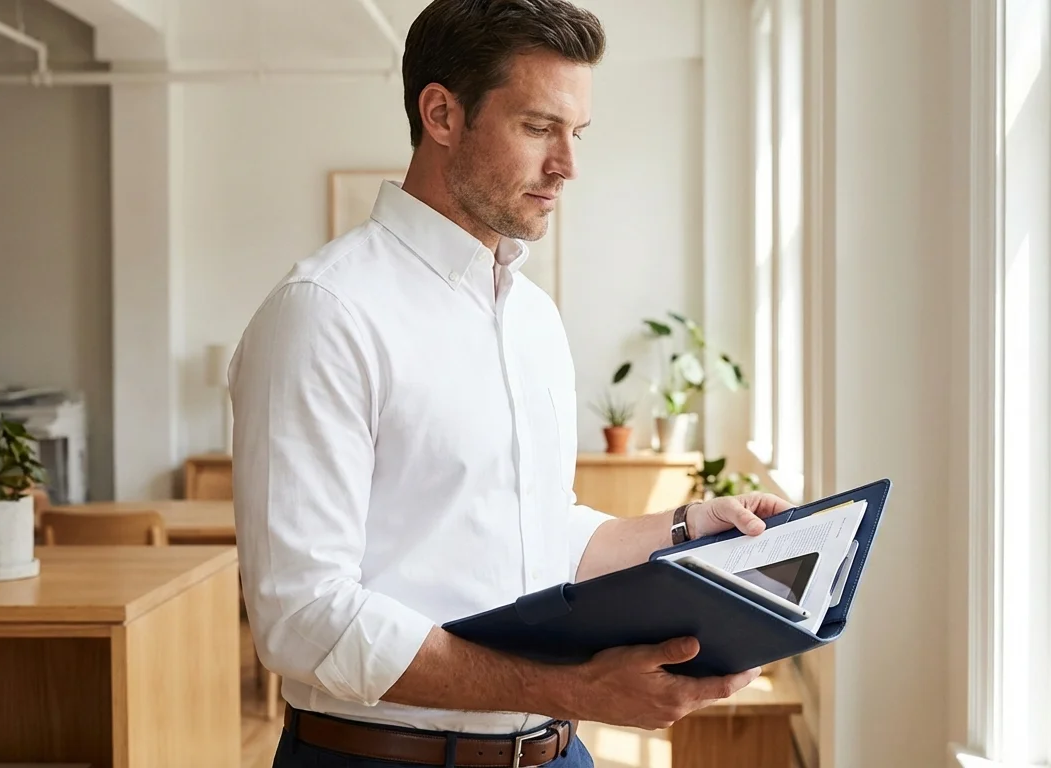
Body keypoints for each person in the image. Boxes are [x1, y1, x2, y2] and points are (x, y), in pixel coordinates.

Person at [229, 1, 793, 766]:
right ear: (442, 114)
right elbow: (302, 617)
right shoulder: (325, 313)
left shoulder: (530, 315)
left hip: (556, 753)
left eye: (577, 133)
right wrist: (572, 689)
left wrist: (688, 530)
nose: (568, 165)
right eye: (539, 128)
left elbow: (536, 534)